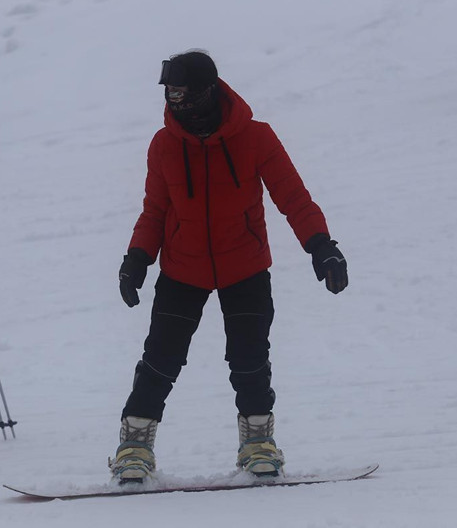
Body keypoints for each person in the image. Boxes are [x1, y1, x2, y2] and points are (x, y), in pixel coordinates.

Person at [108, 51, 348, 483]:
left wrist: (321, 246)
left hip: (245, 266)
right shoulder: (164, 145)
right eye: (169, 93)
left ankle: (258, 441)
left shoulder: (255, 138)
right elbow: (155, 210)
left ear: (206, 91)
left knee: (250, 358)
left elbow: (293, 197)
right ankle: (134, 445)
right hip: (183, 269)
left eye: (181, 93)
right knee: (160, 359)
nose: (174, 102)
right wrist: (137, 258)